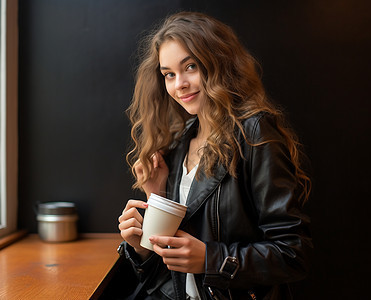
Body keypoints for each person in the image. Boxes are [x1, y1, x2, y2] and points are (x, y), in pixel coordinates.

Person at [117, 11, 312, 300]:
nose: (178, 84)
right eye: (169, 74)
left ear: (218, 63)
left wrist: (212, 259)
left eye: (191, 66)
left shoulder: (255, 133)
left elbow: (293, 253)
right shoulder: (180, 143)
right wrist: (145, 240)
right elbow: (172, 270)